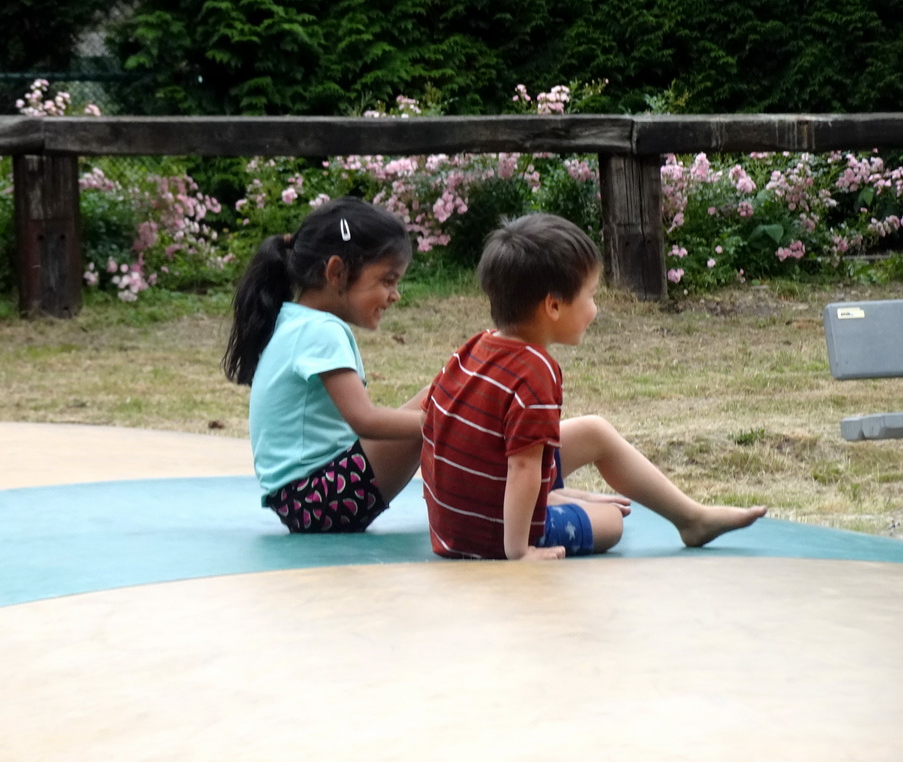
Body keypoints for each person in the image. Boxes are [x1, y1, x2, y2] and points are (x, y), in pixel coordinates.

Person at [421, 213, 767, 560]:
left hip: (453, 524)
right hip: (492, 537)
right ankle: (545, 514)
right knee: (611, 520)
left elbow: (439, 431)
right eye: (591, 295)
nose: (595, 309)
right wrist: (519, 551)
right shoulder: (536, 372)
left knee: (593, 432)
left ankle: (693, 518)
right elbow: (523, 467)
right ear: (553, 306)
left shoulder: (475, 347)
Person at [224, 196, 425, 533]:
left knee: (444, 397)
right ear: (337, 272)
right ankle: (501, 501)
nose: (395, 295)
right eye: (387, 280)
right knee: (451, 401)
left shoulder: (294, 320)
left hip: (301, 499)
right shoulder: (321, 330)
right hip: (319, 499)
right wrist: (446, 421)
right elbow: (366, 421)